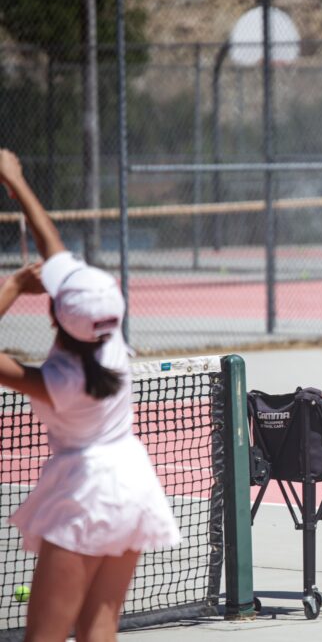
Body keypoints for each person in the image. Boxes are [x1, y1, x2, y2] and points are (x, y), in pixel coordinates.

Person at [0, 149, 180, 641]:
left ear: (56, 316)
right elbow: (54, 248)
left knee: (45, 635)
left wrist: (15, 283)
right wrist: (17, 183)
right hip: (133, 481)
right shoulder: (112, 344)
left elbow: (52, 255)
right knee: (99, 629)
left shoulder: (56, 379)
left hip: (85, 492)